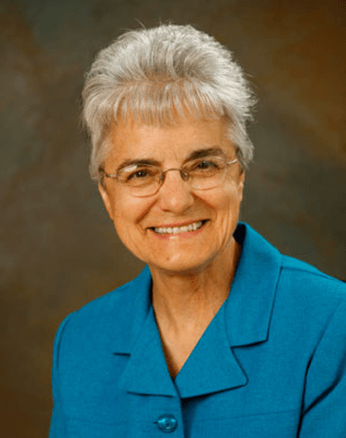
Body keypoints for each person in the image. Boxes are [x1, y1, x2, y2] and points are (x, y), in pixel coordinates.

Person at [49, 24, 346, 438]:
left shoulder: (332, 325)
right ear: (107, 195)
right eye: (140, 173)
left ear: (239, 174)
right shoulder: (80, 343)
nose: (175, 200)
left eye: (203, 165)